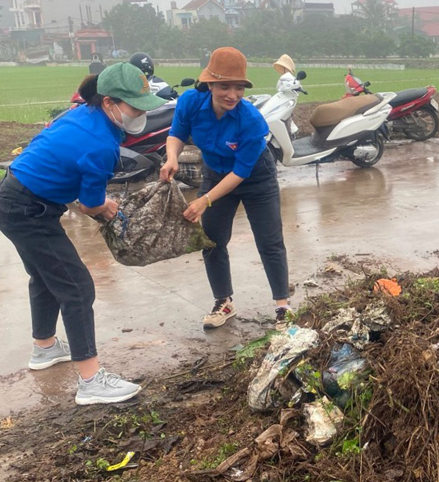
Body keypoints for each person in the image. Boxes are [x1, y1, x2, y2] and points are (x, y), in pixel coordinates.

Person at [0, 63, 166, 405]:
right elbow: (90, 206)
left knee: (46, 277)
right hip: (28, 210)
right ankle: (91, 381)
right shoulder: (100, 143)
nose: (140, 114)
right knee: (77, 287)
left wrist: (97, 200)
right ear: (109, 103)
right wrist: (109, 206)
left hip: (14, 198)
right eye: (134, 107)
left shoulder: (81, 115)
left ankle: (44, 348)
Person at [159, 47, 292, 330]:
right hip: (216, 173)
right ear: (209, 84)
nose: (232, 94)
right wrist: (172, 157)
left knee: (269, 241)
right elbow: (177, 134)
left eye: (239, 87)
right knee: (213, 241)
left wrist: (204, 200)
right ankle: (224, 301)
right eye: (224, 86)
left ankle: (283, 307)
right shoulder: (190, 103)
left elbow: (242, 172)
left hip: (256, 178)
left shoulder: (251, 120)